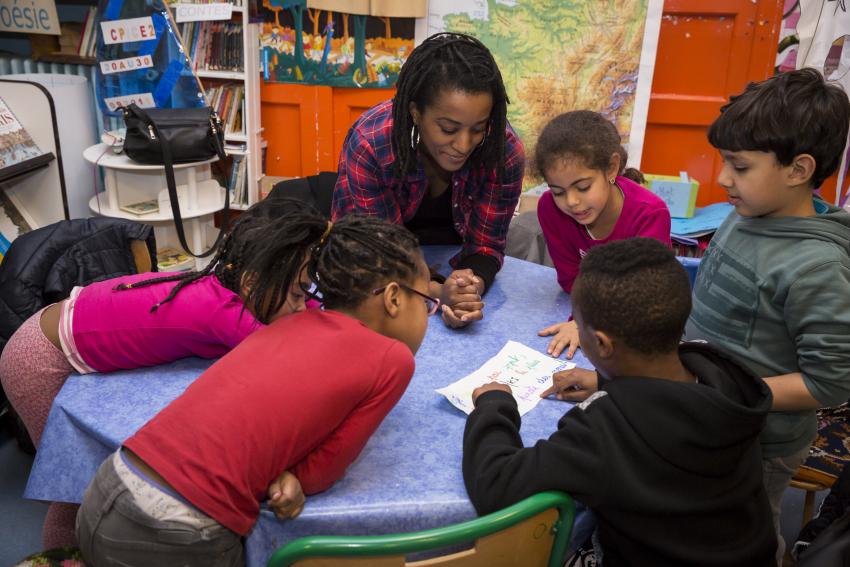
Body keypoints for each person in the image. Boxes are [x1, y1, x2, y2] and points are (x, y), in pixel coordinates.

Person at [76, 216, 436, 566]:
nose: (428, 312)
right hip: (176, 528)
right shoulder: (394, 358)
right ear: (393, 298)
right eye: (425, 301)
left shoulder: (288, 321)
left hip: (109, 483)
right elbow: (323, 471)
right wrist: (295, 478)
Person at [0, 198, 319, 549]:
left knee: (78, 482)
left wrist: (306, 301)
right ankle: (62, 554)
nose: (303, 305)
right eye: (295, 295)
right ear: (251, 282)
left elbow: (295, 318)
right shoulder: (219, 312)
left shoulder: (223, 282)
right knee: (73, 486)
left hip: (49, 330)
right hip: (38, 358)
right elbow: (288, 350)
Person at [462, 238, 775, 566]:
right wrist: (605, 379)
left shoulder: (606, 428)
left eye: (579, 327)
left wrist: (494, 404)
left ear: (599, 343)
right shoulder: (722, 377)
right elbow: (671, 404)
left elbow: (496, 485)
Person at [680, 67, 850, 564]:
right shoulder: (746, 214)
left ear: (798, 170)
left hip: (758, 445)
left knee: (744, 542)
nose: (722, 178)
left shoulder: (817, 267)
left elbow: (831, 384)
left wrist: (726, 392)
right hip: (708, 419)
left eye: (740, 166)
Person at [332, 32, 525, 329]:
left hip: (448, 255)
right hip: (375, 252)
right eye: (448, 128)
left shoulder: (504, 152)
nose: (463, 144)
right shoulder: (371, 144)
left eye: (478, 128)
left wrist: (467, 287)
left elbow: (486, 244)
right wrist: (437, 292)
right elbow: (381, 254)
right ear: (416, 113)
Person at [533, 111, 671, 360]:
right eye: (558, 191)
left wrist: (584, 323)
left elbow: (646, 296)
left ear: (611, 167)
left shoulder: (649, 214)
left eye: (583, 187)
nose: (572, 202)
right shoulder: (549, 209)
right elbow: (570, 279)